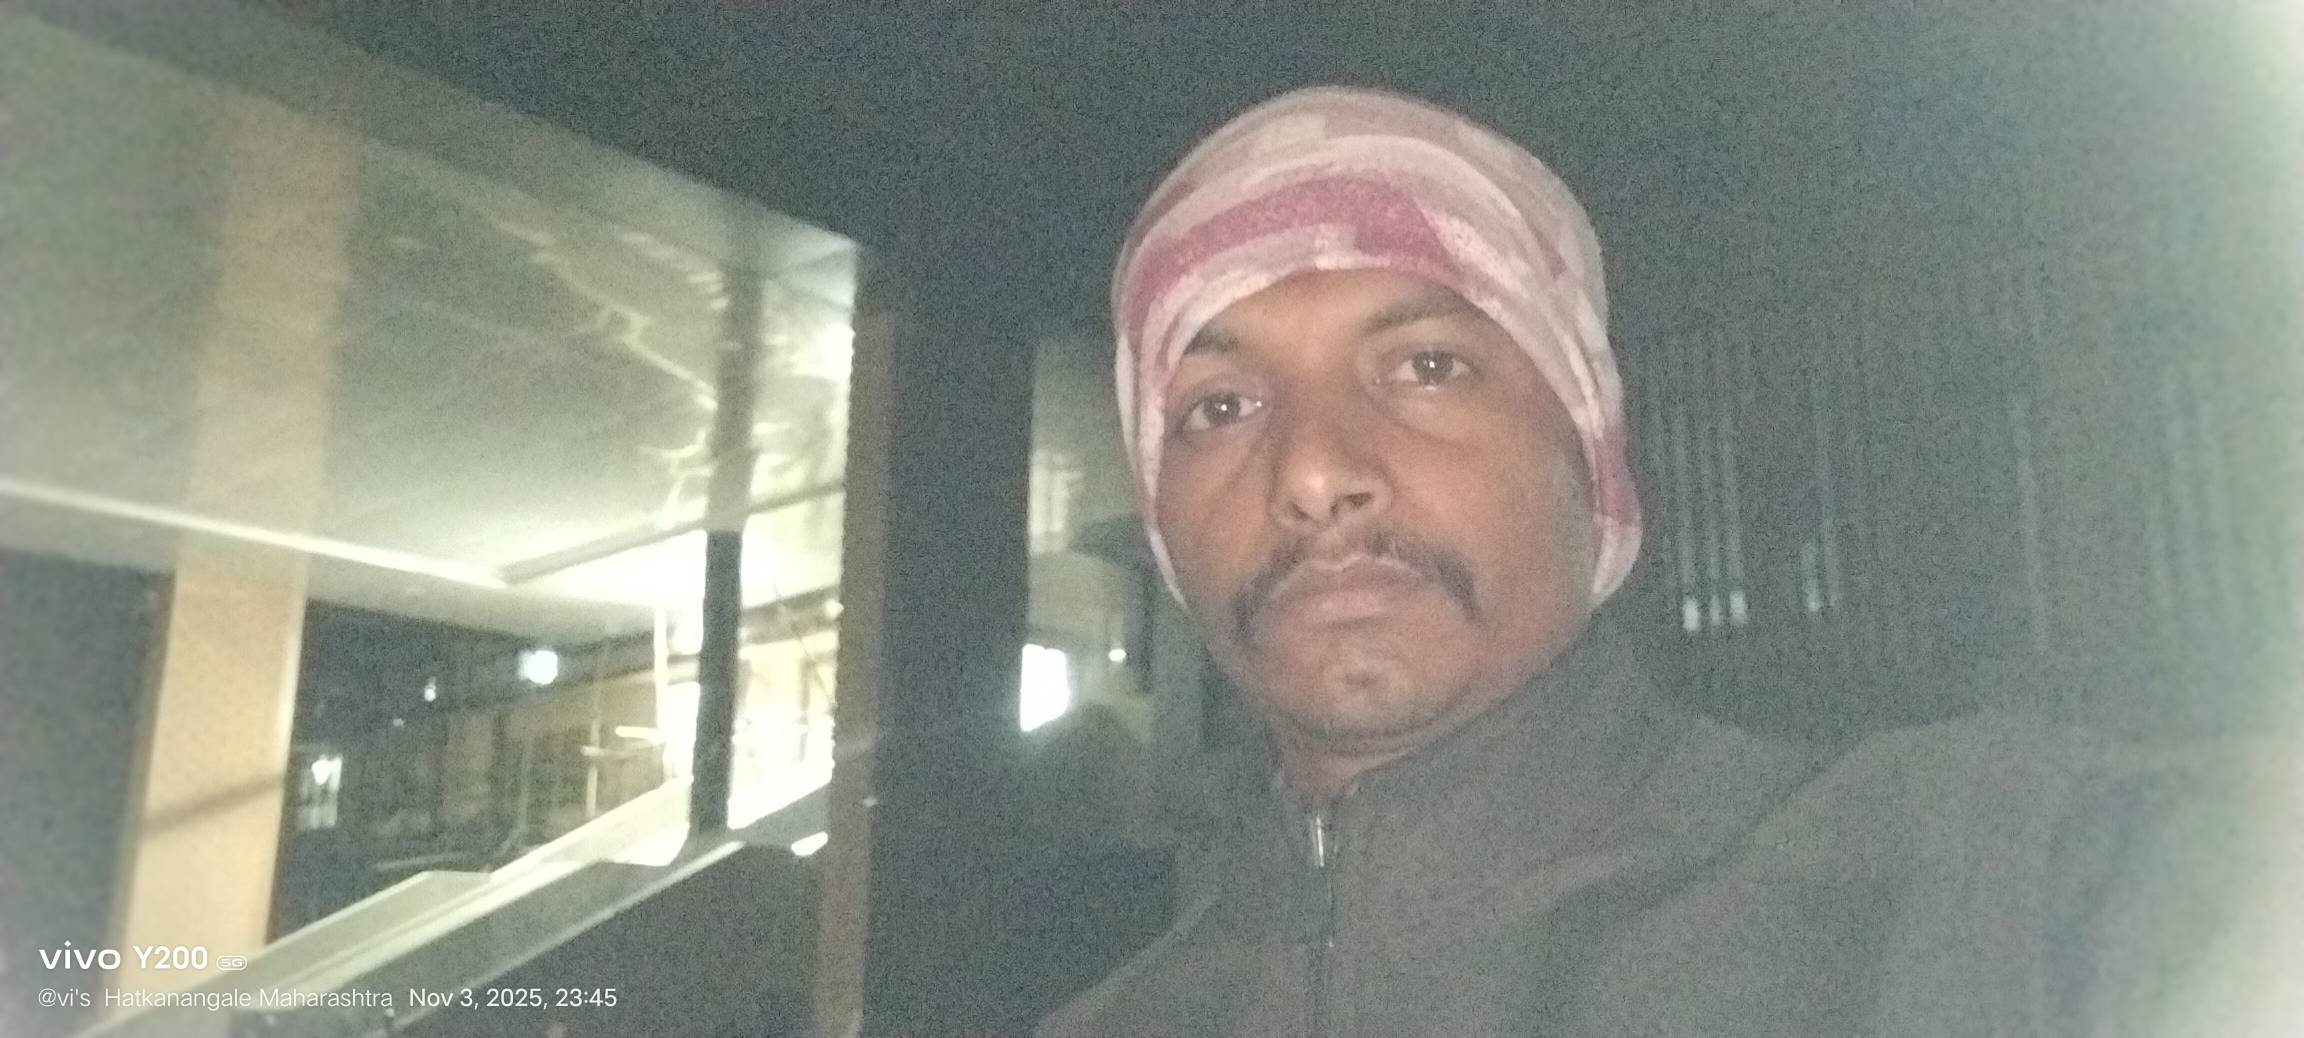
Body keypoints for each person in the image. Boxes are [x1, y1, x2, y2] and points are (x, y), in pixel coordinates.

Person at [1038, 85, 2289, 1037]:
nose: (1314, 471)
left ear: (1590, 459)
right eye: (1217, 408)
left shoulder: (1989, 883)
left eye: (1426, 367)